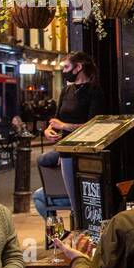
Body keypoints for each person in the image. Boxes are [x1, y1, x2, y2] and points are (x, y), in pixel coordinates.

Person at [36, 53, 102, 221]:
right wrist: (49, 130)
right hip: (65, 150)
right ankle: (69, 229)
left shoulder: (94, 91)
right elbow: (56, 118)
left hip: (85, 152)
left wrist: (64, 126)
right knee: (74, 200)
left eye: (66, 67)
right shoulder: (66, 90)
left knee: (83, 200)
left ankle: (81, 230)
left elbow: (94, 126)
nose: (63, 71)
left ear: (78, 67)